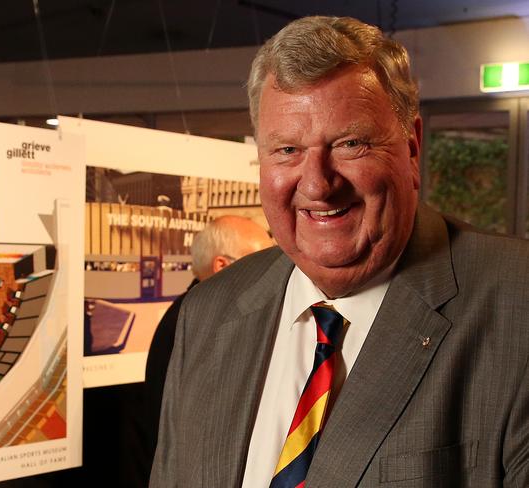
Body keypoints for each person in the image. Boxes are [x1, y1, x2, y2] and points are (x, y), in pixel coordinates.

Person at [150, 16, 529, 488]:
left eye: (350, 144)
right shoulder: (208, 312)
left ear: (412, 148)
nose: (317, 184)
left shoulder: (518, 305)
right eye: (287, 149)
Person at [144, 215, 273, 475]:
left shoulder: (197, 312)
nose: (273, 273)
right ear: (222, 266)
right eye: (261, 262)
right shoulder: (195, 322)